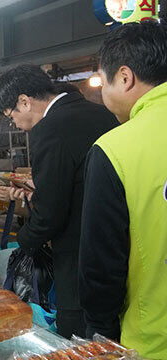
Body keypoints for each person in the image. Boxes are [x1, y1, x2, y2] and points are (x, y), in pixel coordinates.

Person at [0, 65, 118, 338]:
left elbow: (51, 214)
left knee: (78, 337)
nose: (13, 123)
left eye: (10, 115)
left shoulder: (48, 130)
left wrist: (24, 242)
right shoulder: (105, 113)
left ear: (24, 102)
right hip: (118, 248)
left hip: (78, 258)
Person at [78, 22, 167, 358]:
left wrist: (100, 337)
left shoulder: (116, 150)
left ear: (125, 77)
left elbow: (101, 266)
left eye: (104, 81)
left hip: (151, 343)